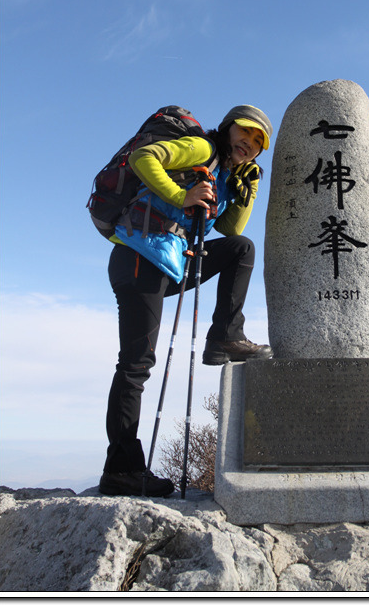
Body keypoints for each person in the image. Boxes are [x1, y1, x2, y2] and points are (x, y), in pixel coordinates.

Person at [99, 104, 274, 497]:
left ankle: (225, 337)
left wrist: (247, 189)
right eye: (245, 132)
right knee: (135, 365)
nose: (249, 143)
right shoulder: (201, 148)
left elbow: (229, 228)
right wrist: (182, 195)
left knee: (241, 249)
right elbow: (144, 158)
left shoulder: (226, 173)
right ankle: (121, 469)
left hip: (171, 263)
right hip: (139, 259)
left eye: (258, 142)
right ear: (228, 129)